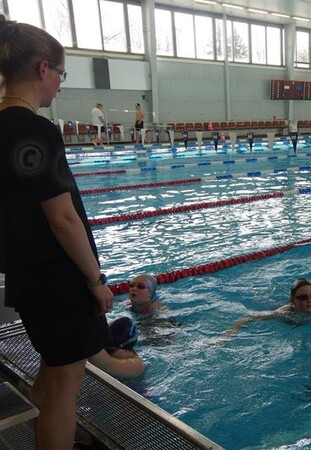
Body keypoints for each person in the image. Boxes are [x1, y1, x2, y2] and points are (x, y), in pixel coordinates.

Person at [0, 15, 114, 449]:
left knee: (51, 376)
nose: (60, 86)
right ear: (42, 68)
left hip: (26, 277)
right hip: (58, 282)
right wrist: (95, 280)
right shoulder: (35, 130)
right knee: (66, 389)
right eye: (61, 75)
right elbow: (61, 217)